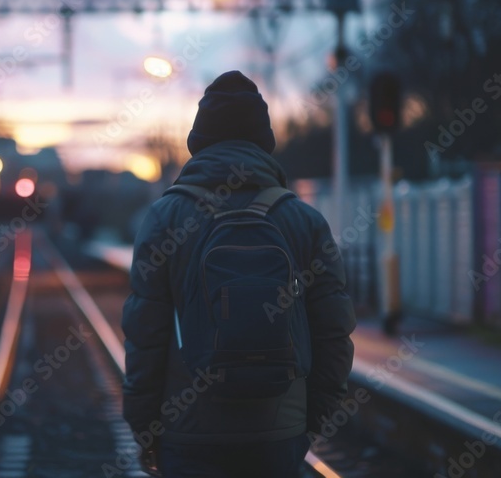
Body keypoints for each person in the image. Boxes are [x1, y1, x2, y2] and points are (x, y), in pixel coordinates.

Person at [122, 70, 356, 477]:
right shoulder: (303, 221)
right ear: (264, 142)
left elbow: (146, 337)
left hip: (189, 433)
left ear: (199, 142)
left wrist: (145, 429)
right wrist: (310, 422)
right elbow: (333, 334)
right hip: (278, 433)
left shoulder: (164, 219)